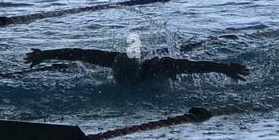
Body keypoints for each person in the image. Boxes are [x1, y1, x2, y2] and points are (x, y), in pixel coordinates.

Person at [27, 47, 248, 84]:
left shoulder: (160, 67)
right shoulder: (113, 61)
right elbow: (78, 53)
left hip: (160, 75)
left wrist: (224, 67)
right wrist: (45, 55)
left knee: (177, 70)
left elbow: (195, 66)